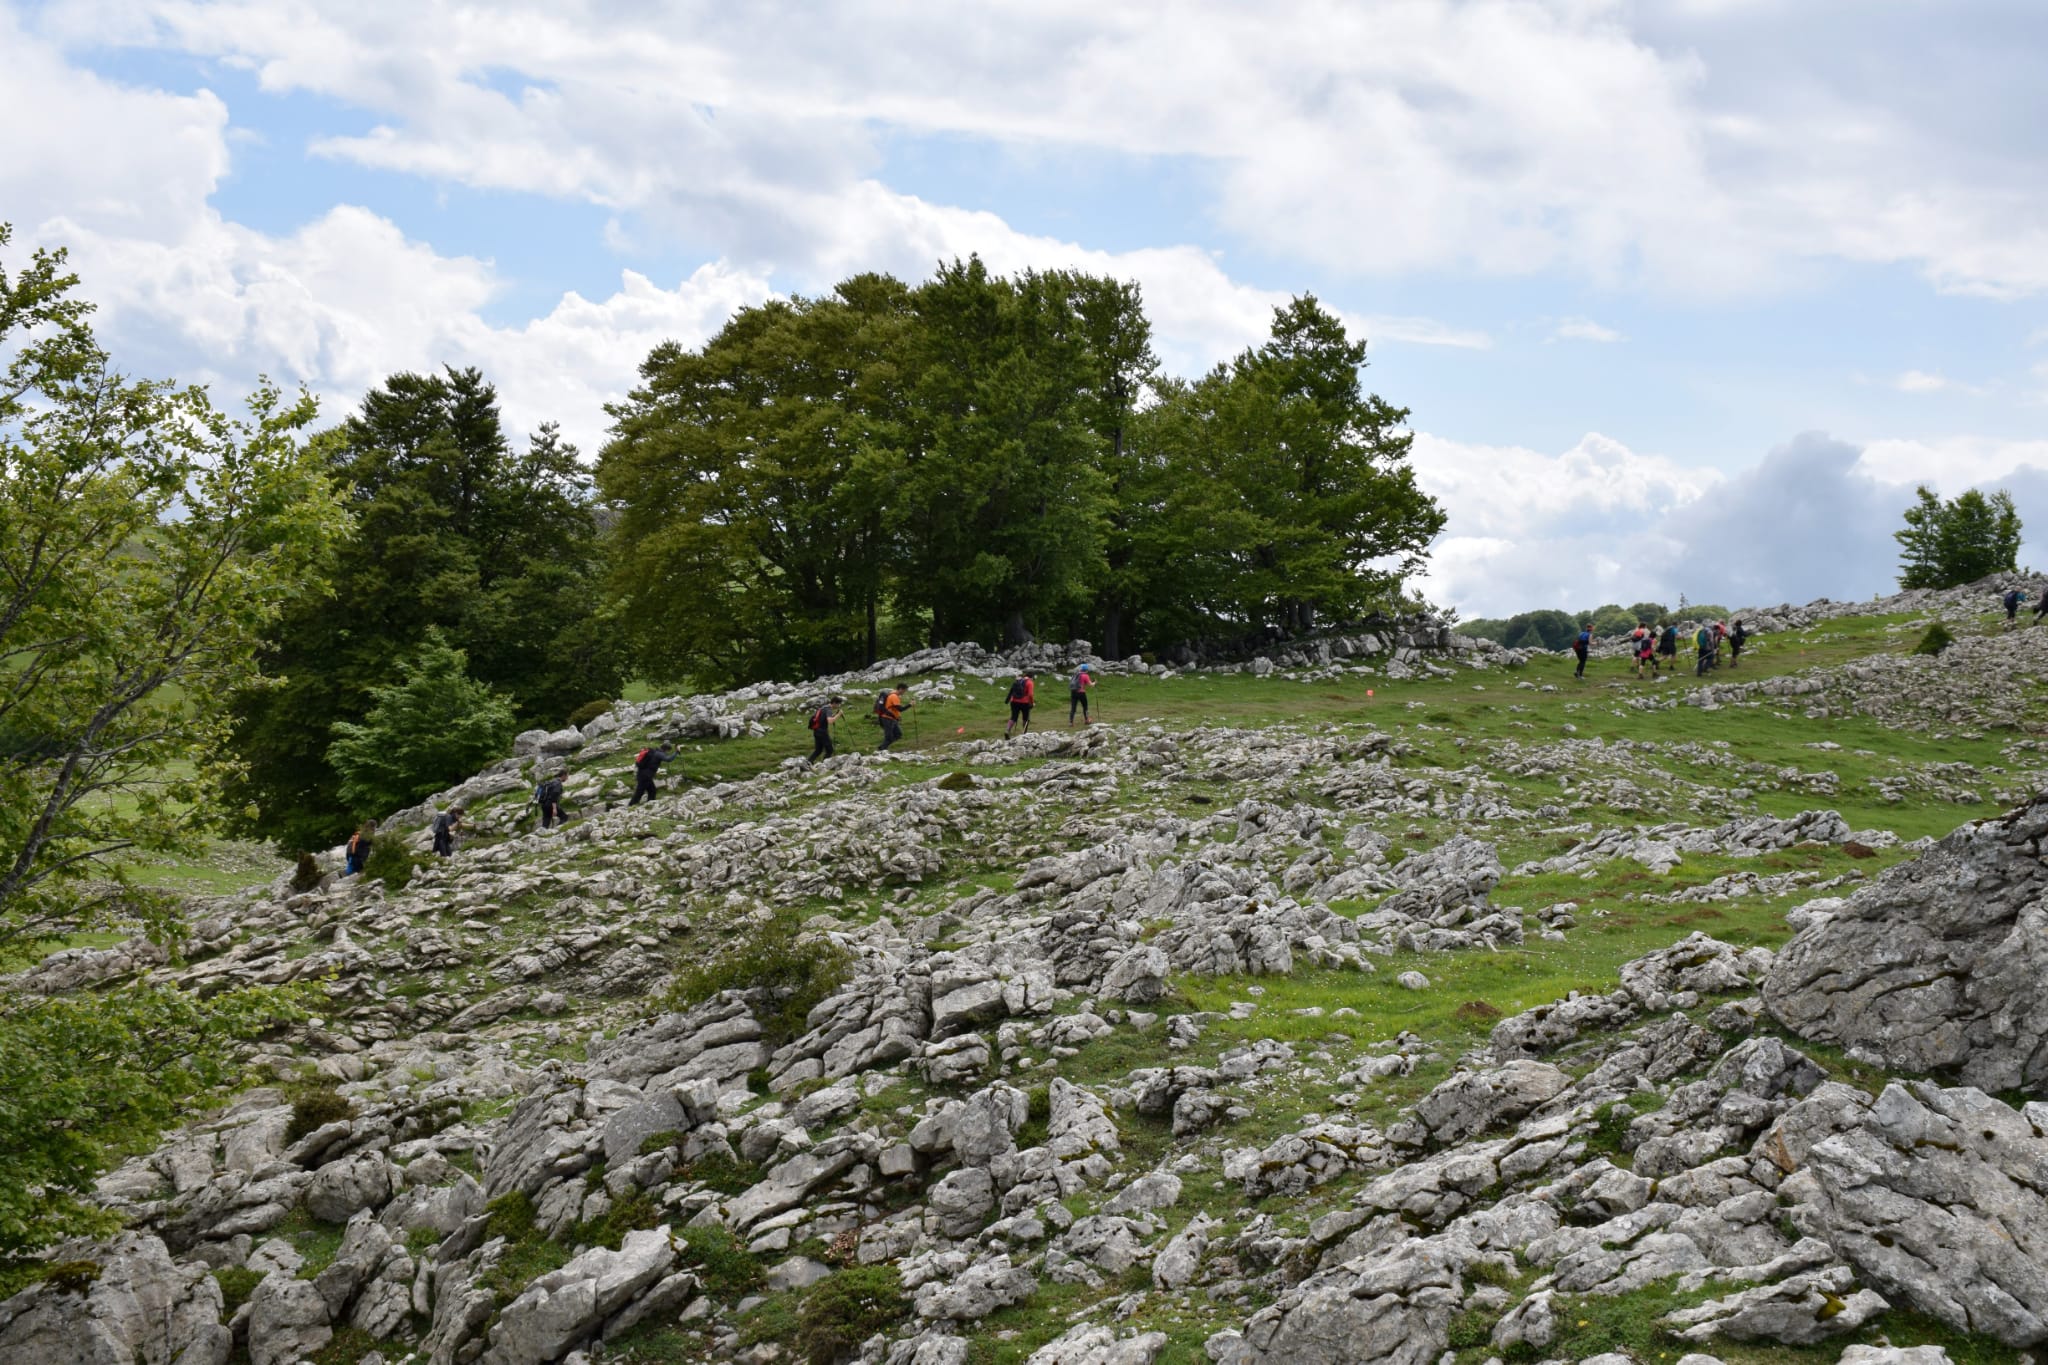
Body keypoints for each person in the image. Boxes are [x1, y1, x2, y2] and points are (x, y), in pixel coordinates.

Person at [808, 695, 843, 763]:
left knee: (818, 750)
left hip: (816, 731)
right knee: (830, 750)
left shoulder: (824, 707)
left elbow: (824, 719)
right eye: (838, 704)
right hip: (823, 732)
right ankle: (824, 764)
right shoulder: (828, 709)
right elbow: (830, 721)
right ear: (834, 703)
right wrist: (839, 714)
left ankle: (808, 762)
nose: (839, 706)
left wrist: (835, 714)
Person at [876, 685, 908, 751]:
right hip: (887, 718)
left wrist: (897, 716)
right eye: (905, 690)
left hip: (892, 718)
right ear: (901, 689)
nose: (905, 692)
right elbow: (900, 709)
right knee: (889, 737)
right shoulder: (894, 696)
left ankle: (882, 747)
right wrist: (910, 704)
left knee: (898, 734)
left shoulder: (893, 695)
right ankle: (881, 749)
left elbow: (894, 708)